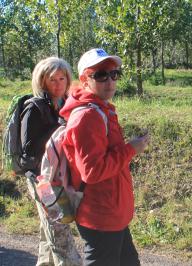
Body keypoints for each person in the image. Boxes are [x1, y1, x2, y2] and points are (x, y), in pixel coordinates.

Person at [60, 48, 149, 266]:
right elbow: (93, 171)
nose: (109, 81)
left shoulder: (101, 109)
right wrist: (131, 149)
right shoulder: (88, 116)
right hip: (101, 215)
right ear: (84, 79)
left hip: (112, 211)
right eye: (100, 75)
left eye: (113, 74)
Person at [21, 57, 81, 266]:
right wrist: (57, 134)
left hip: (60, 177)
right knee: (59, 230)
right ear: (42, 81)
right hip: (42, 180)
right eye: (52, 79)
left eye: (61, 78)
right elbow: (28, 151)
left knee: (49, 231)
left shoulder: (68, 104)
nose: (58, 84)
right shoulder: (34, 108)